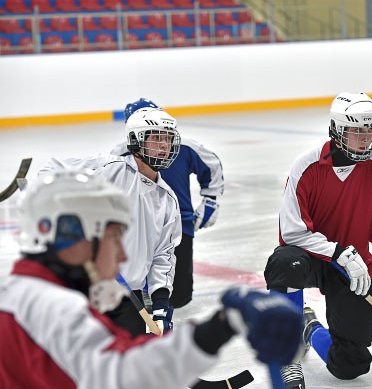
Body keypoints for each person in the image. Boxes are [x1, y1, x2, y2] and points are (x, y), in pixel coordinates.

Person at [0, 170, 303, 388]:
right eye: (115, 238)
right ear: (74, 239)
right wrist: (218, 328)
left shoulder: (23, 295)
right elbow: (124, 376)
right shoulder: (52, 308)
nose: (122, 256)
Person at [264, 92, 372, 388]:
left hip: (354, 271)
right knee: (283, 262)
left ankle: (309, 327)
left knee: (351, 365)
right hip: (310, 259)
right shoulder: (307, 167)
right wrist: (338, 252)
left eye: (369, 130)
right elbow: (292, 232)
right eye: (356, 130)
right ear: (337, 131)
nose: (364, 138)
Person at [39, 107, 183, 337]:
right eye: (156, 138)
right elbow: (52, 169)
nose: (164, 145)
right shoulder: (111, 170)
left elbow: (163, 257)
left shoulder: (167, 201)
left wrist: (160, 305)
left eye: (167, 138)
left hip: (128, 299)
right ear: (137, 140)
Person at [112, 98, 224, 309]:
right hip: (139, 227)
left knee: (179, 296)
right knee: (141, 283)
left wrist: (211, 200)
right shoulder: (119, 155)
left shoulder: (184, 146)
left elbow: (211, 166)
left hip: (180, 223)